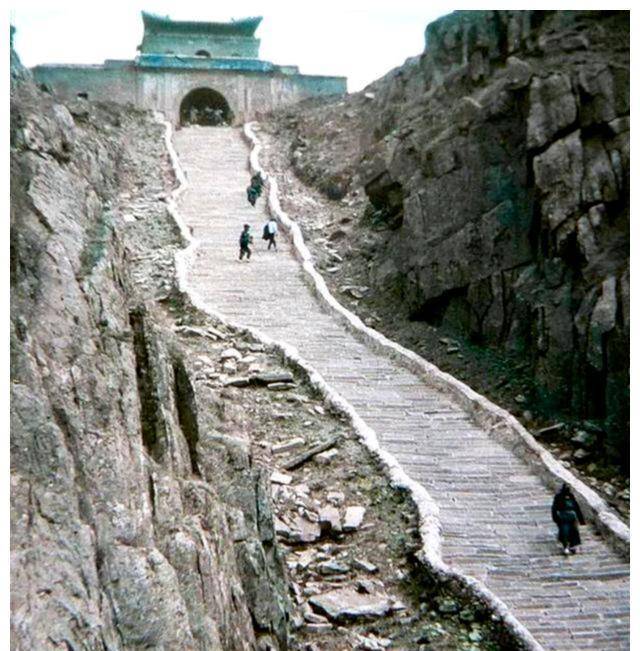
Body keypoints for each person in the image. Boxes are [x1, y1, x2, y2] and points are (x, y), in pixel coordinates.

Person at [552, 483, 586, 555]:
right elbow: (554, 508)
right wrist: (556, 518)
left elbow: (576, 507)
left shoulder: (571, 496)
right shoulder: (558, 497)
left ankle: (573, 546)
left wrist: (581, 520)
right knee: (565, 532)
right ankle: (565, 547)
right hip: (563, 518)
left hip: (572, 518)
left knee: (574, 531)